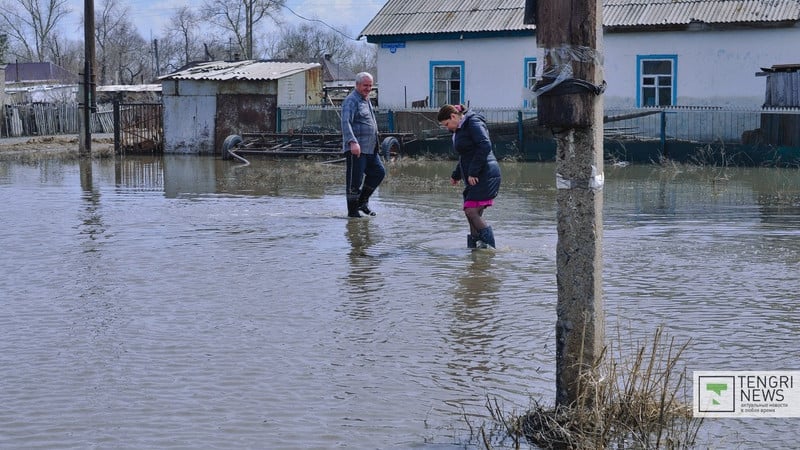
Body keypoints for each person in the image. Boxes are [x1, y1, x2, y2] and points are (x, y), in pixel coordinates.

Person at [437, 104, 501, 249]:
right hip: (477, 174)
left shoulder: (473, 122)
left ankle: (490, 250)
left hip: (484, 174)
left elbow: (485, 145)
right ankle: (475, 254)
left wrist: (473, 172)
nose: (448, 128)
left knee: (471, 211)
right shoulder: (461, 128)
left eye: (447, 124)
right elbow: (466, 155)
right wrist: (456, 175)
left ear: (453, 116)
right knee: (471, 214)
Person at [341, 72, 385, 218]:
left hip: (370, 148)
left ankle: (362, 202)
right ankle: (352, 214)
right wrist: (352, 142)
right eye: (365, 85)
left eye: (370, 85)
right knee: (355, 181)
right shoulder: (351, 100)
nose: (368, 88)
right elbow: (345, 122)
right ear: (357, 85)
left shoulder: (366, 100)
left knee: (379, 172)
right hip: (357, 149)